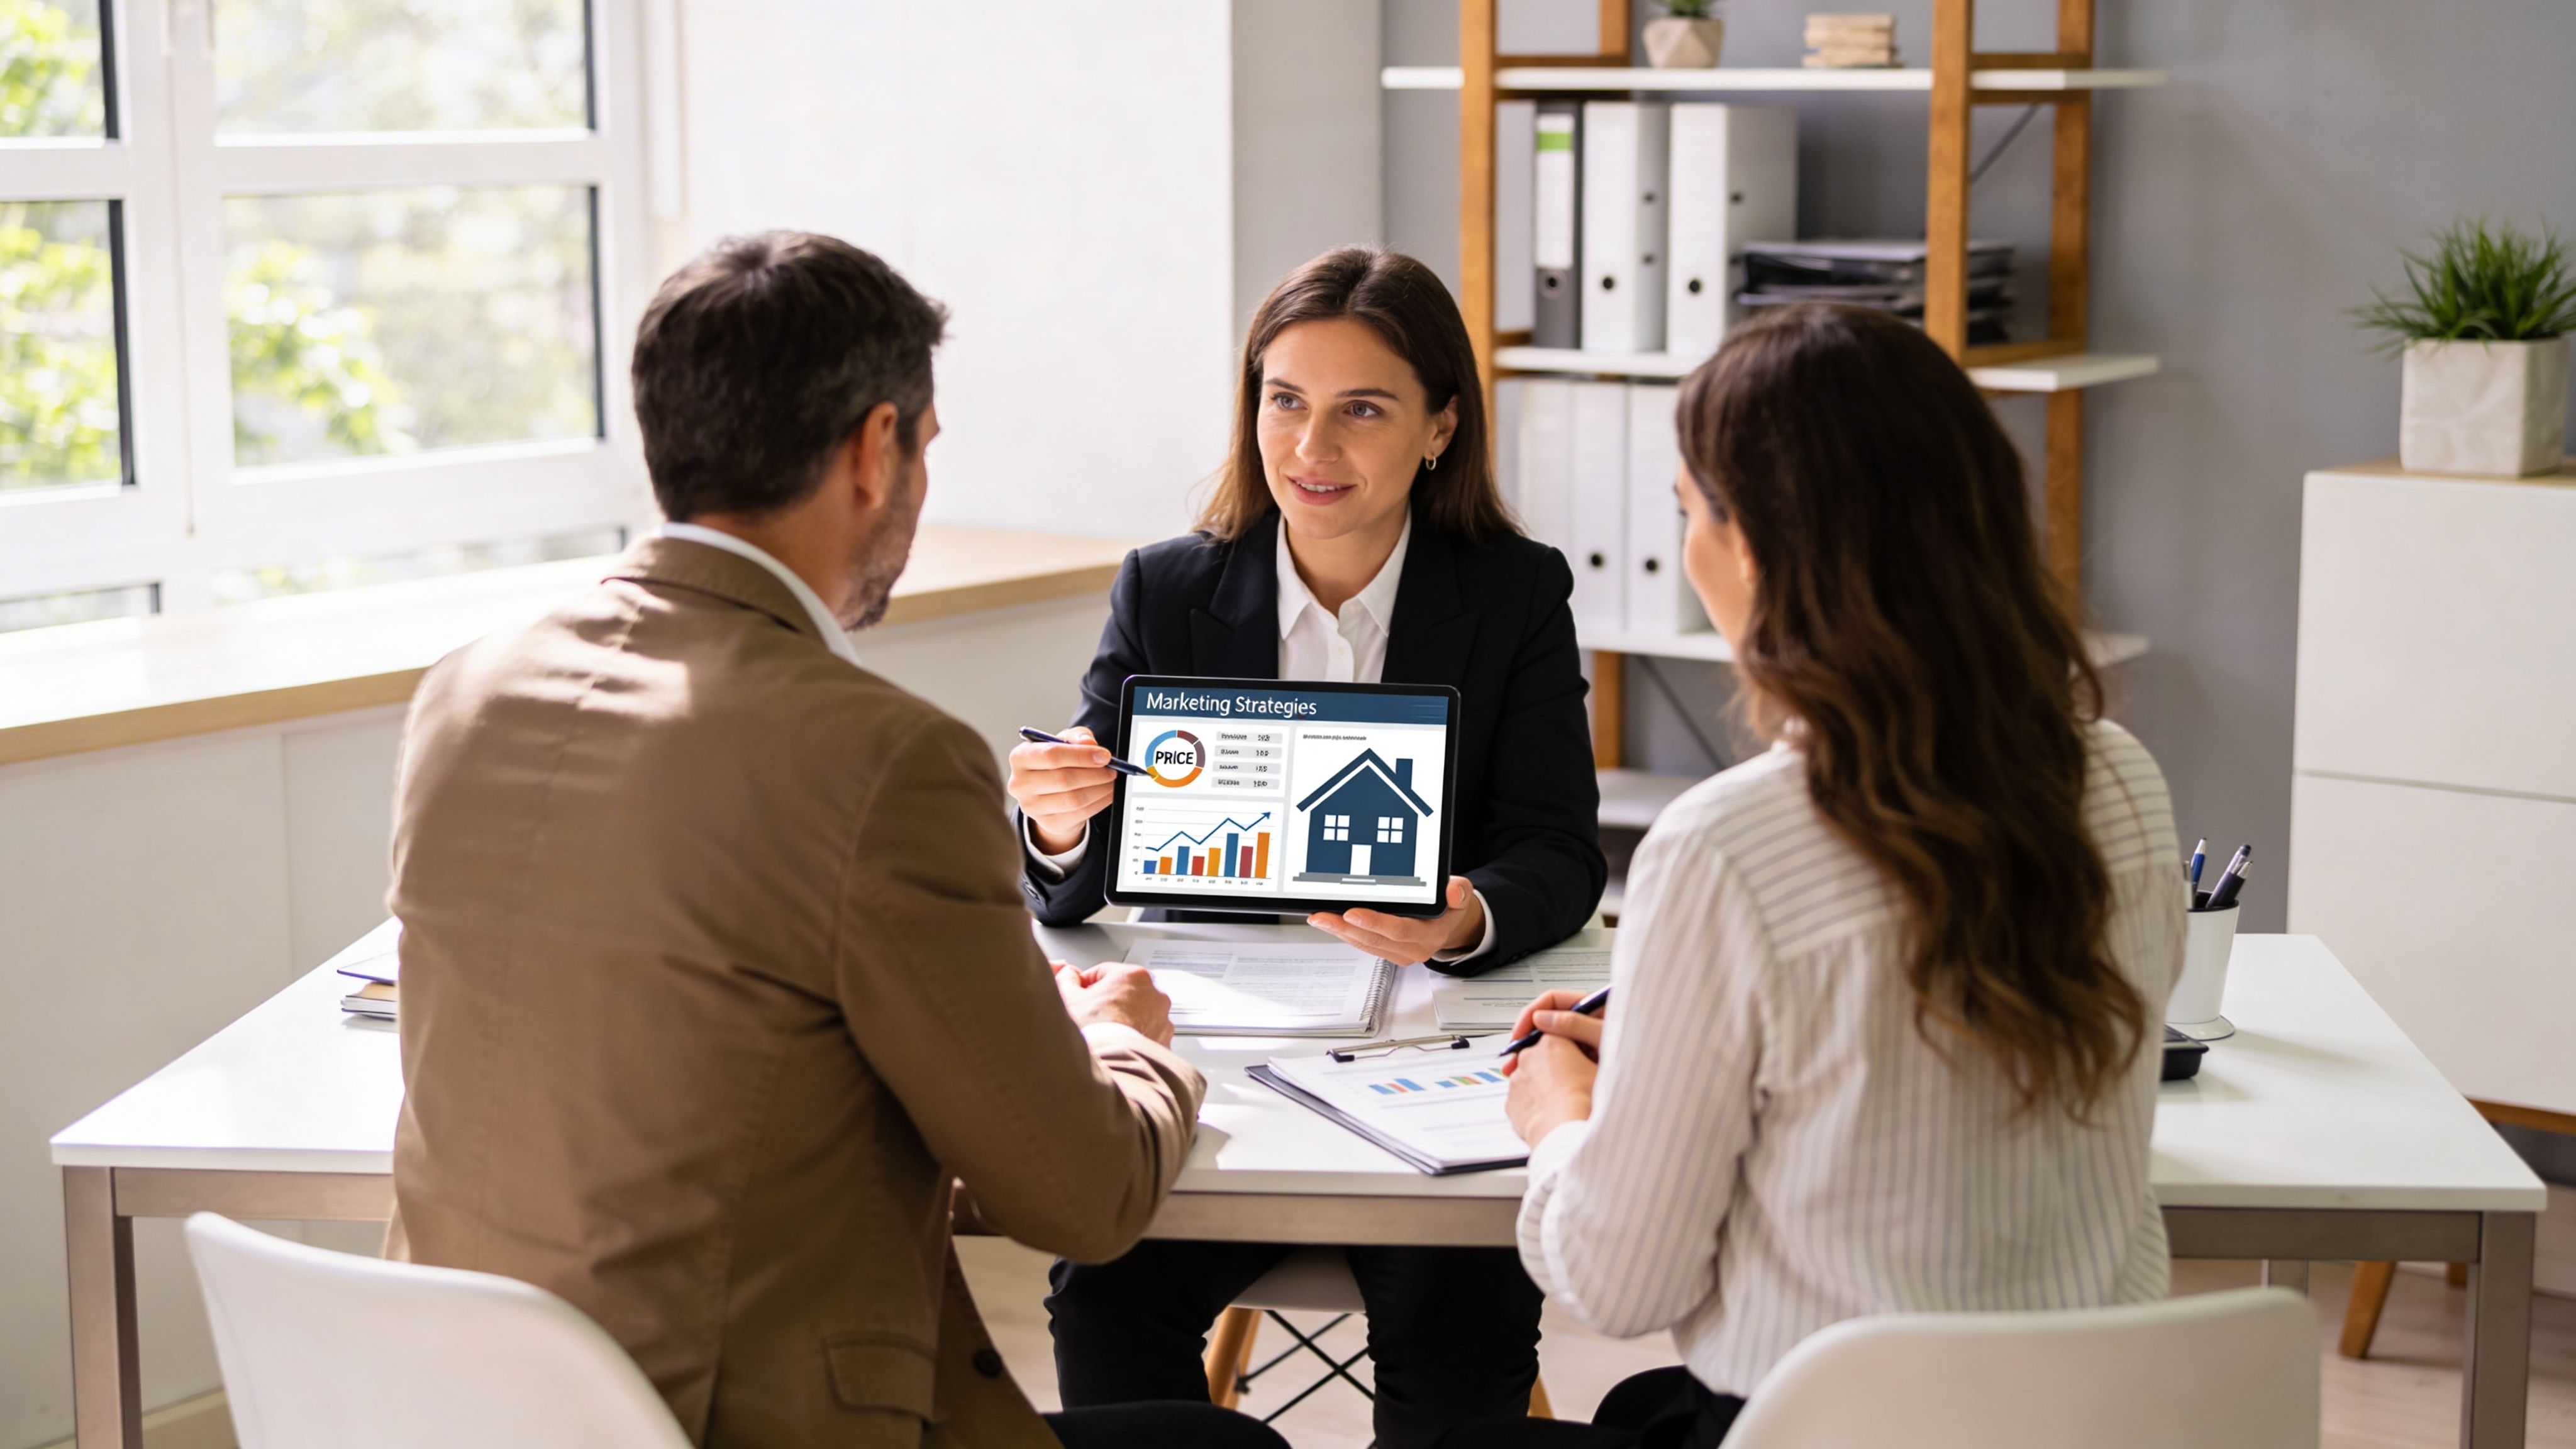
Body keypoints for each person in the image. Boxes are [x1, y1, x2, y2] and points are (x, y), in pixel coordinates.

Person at [384, 231, 1287, 1449]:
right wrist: (1125, 1047)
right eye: (924, 448)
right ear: (878, 449)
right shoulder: (880, 758)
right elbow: (1078, 1196)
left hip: (469, 1408)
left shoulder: (465, 692)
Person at [1455, 303, 2189, 1448]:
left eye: (1689, 514)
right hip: (2076, 1419)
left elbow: (1620, 1284)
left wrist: (1566, 1116)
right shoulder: (2125, 783)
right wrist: (1672, 1057)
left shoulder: (1724, 846)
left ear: (1752, 548)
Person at [1019, 247, 1606, 1448]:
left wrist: (1466, 915)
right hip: (1219, 1062)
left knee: (1461, 1316)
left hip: (1427, 1061)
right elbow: (1078, 879)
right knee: (1103, 1290)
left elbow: (1559, 849)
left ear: (1440, 427)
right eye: (1284, 401)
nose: (1311, 448)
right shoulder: (1167, 590)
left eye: (1362, 410)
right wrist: (1059, 820)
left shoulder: (1515, 595)